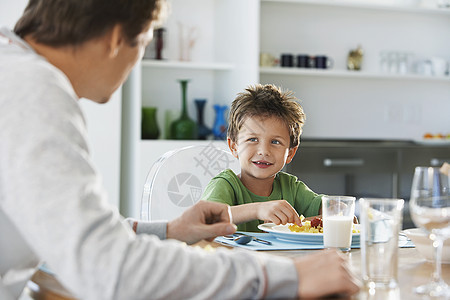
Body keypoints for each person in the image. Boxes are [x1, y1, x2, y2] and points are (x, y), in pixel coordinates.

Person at [0, 0, 360, 299]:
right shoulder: (34, 92)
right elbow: (111, 269)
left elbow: (73, 232)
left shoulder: (15, 72)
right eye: (143, 43)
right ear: (114, 38)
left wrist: (168, 230)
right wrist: (285, 276)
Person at [203, 84, 323, 232]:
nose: (264, 151)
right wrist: (258, 210)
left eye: (275, 142)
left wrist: (303, 224)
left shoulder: (291, 187)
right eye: (252, 139)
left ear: (290, 153)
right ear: (234, 146)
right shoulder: (225, 185)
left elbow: (337, 211)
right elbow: (206, 220)